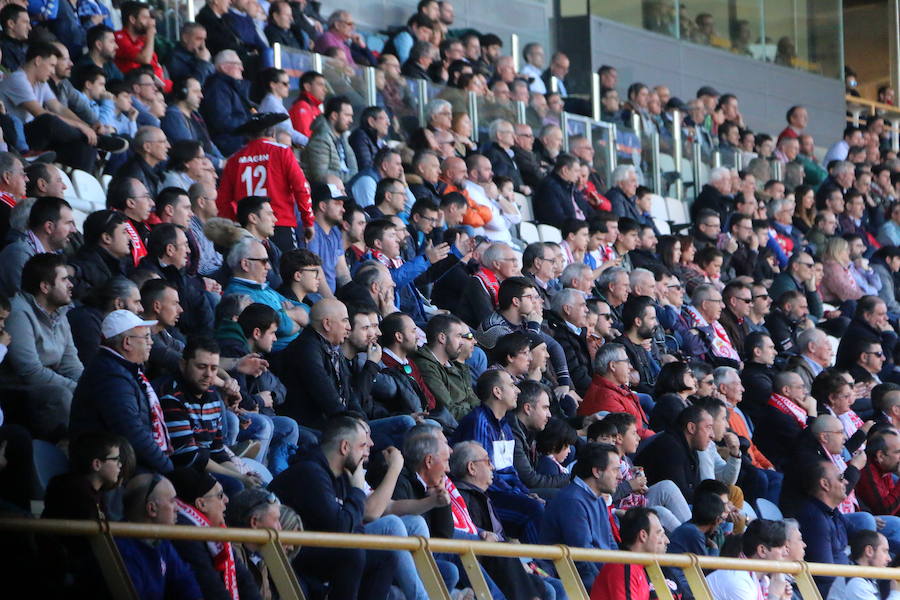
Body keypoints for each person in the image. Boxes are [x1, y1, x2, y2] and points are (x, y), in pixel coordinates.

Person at [269, 416, 398, 600]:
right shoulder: (309, 472)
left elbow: (356, 529)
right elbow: (339, 528)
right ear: (345, 447)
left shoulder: (343, 477)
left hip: (321, 546)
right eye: (362, 446)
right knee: (352, 555)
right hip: (291, 549)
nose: (368, 451)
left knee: (385, 557)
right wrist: (357, 490)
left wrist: (354, 490)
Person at [70, 310, 174, 474]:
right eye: (146, 337)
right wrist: (168, 468)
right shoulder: (111, 376)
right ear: (127, 343)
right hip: (110, 466)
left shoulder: (123, 369)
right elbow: (131, 432)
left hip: (126, 460)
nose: (151, 343)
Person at [156, 336, 265, 488]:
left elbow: (218, 452)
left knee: (258, 484)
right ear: (183, 365)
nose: (208, 374)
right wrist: (239, 478)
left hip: (205, 466)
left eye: (214, 368)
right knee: (236, 486)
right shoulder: (172, 397)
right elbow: (190, 458)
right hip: (181, 474)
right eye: (201, 367)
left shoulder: (213, 397)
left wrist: (241, 476)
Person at [453, 369, 545, 543]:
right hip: (482, 497)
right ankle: (539, 567)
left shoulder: (506, 426)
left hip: (503, 492)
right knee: (533, 510)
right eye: (512, 385)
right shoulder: (479, 421)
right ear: (497, 392)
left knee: (543, 503)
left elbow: (510, 470)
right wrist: (518, 494)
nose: (518, 390)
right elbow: (481, 474)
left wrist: (524, 492)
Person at [3, 253, 82, 440]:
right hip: (17, 392)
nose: (71, 285)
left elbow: (71, 364)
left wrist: (89, 387)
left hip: (48, 386)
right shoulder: (18, 313)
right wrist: (78, 389)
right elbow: (29, 372)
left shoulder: (60, 312)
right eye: (64, 280)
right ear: (45, 287)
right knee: (61, 395)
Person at [217, 113, 314, 252]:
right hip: (280, 224)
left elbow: (222, 201)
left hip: (248, 229)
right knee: (285, 271)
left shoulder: (234, 160)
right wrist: (308, 221)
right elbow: (302, 187)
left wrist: (238, 223)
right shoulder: (282, 152)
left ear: (248, 136)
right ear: (272, 132)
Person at [167, 467, 262, 600]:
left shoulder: (214, 530)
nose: (226, 500)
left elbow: (242, 577)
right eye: (220, 495)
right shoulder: (187, 534)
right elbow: (210, 588)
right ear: (201, 504)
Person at [539, 442, 620, 589]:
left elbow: (610, 544)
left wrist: (621, 574)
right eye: (615, 470)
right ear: (597, 472)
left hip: (597, 575)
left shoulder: (599, 498)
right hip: (576, 580)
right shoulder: (572, 501)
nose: (620, 476)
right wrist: (611, 585)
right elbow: (582, 557)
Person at [117, 474, 203, 600]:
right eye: (172, 501)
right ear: (152, 509)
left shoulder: (159, 539)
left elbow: (185, 582)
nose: (178, 508)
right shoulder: (123, 554)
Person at [223, 237, 307, 350]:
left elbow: (308, 312)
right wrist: (292, 314)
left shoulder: (264, 288)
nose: (268, 267)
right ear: (245, 264)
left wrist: (284, 314)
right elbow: (283, 327)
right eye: (264, 261)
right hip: (279, 357)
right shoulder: (238, 295)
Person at [138, 223, 214, 338]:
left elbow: (200, 303)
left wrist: (205, 342)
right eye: (185, 245)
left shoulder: (179, 271)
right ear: (170, 249)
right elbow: (167, 326)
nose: (188, 251)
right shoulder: (149, 278)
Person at [793, 456, 850, 597]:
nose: (847, 482)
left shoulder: (832, 511)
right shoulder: (814, 519)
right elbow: (826, 574)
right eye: (841, 478)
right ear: (825, 484)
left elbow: (862, 537)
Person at [0, 196, 76, 298]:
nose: (74, 230)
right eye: (68, 224)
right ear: (49, 227)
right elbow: (31, 301)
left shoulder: (56, 257)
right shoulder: (18, 253)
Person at [636, 404, 713, 503]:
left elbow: (695, 490)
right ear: (692, 428)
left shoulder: (691, 449)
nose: (712, 435)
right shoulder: (669, 447)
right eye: (708, 427)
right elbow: (680, 495)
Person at [590, 506, 669, 600]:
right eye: (659, 534)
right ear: (643, 535)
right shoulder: (624, 567)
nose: (667, 540)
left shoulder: (634, 567)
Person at [412, 313, 479, 421]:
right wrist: (481, 416)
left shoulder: (453, 364)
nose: (462, 342)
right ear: (442, 338)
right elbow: (448, 409)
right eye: (458, 336)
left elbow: (472, 399)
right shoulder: (426, 366)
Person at [580, 343, 654, 438]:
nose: (630, 367)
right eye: (626, 361)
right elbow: (630, 434)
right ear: (612, 366)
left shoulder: (616, 388)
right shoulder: (605, 397)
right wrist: (657, 438)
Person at [705, 519, 791, 599]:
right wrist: (774, 595)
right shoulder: (738, 580)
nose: (786, 552)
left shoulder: (763, 581)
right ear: (762, 550)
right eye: (781, 547)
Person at [199, 50, 254, 156]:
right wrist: (250, 122)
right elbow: (222, 121)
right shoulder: (218, 88)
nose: (242, 68)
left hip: (238, 143)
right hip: (229, 147)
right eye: (238, 64)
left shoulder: (230, 86)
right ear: (224, 67)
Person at [114, 1, 171, 92]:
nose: (149, 22)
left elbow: (155, 66)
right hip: (134, 90)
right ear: (132, 19)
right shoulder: (119, 38)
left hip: (157, 88)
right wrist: (150, 35)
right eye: (145, 18)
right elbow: (145, 59)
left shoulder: (142, 41)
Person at [301, 95, 358, 184]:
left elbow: (354, 169)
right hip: (326, 193)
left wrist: (354, 177)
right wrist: (353, 177)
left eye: (351, 116)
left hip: (343, 188)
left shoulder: (342, 138)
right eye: (347, 115)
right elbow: (321, 176)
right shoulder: (320, 139)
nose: (351, 120)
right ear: (334, 116)